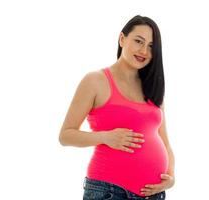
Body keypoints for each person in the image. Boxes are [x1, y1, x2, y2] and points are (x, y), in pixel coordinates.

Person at [59, 15, 175, 200]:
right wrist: (105, 137)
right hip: (110, 191)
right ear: (122, 39)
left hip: (154, 194)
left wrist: (171, 177)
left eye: (151, 46)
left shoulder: (152, 86)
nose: (144, 50)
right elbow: (65, 135)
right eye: (139, 41)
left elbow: (165, 141)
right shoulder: (95, 81)